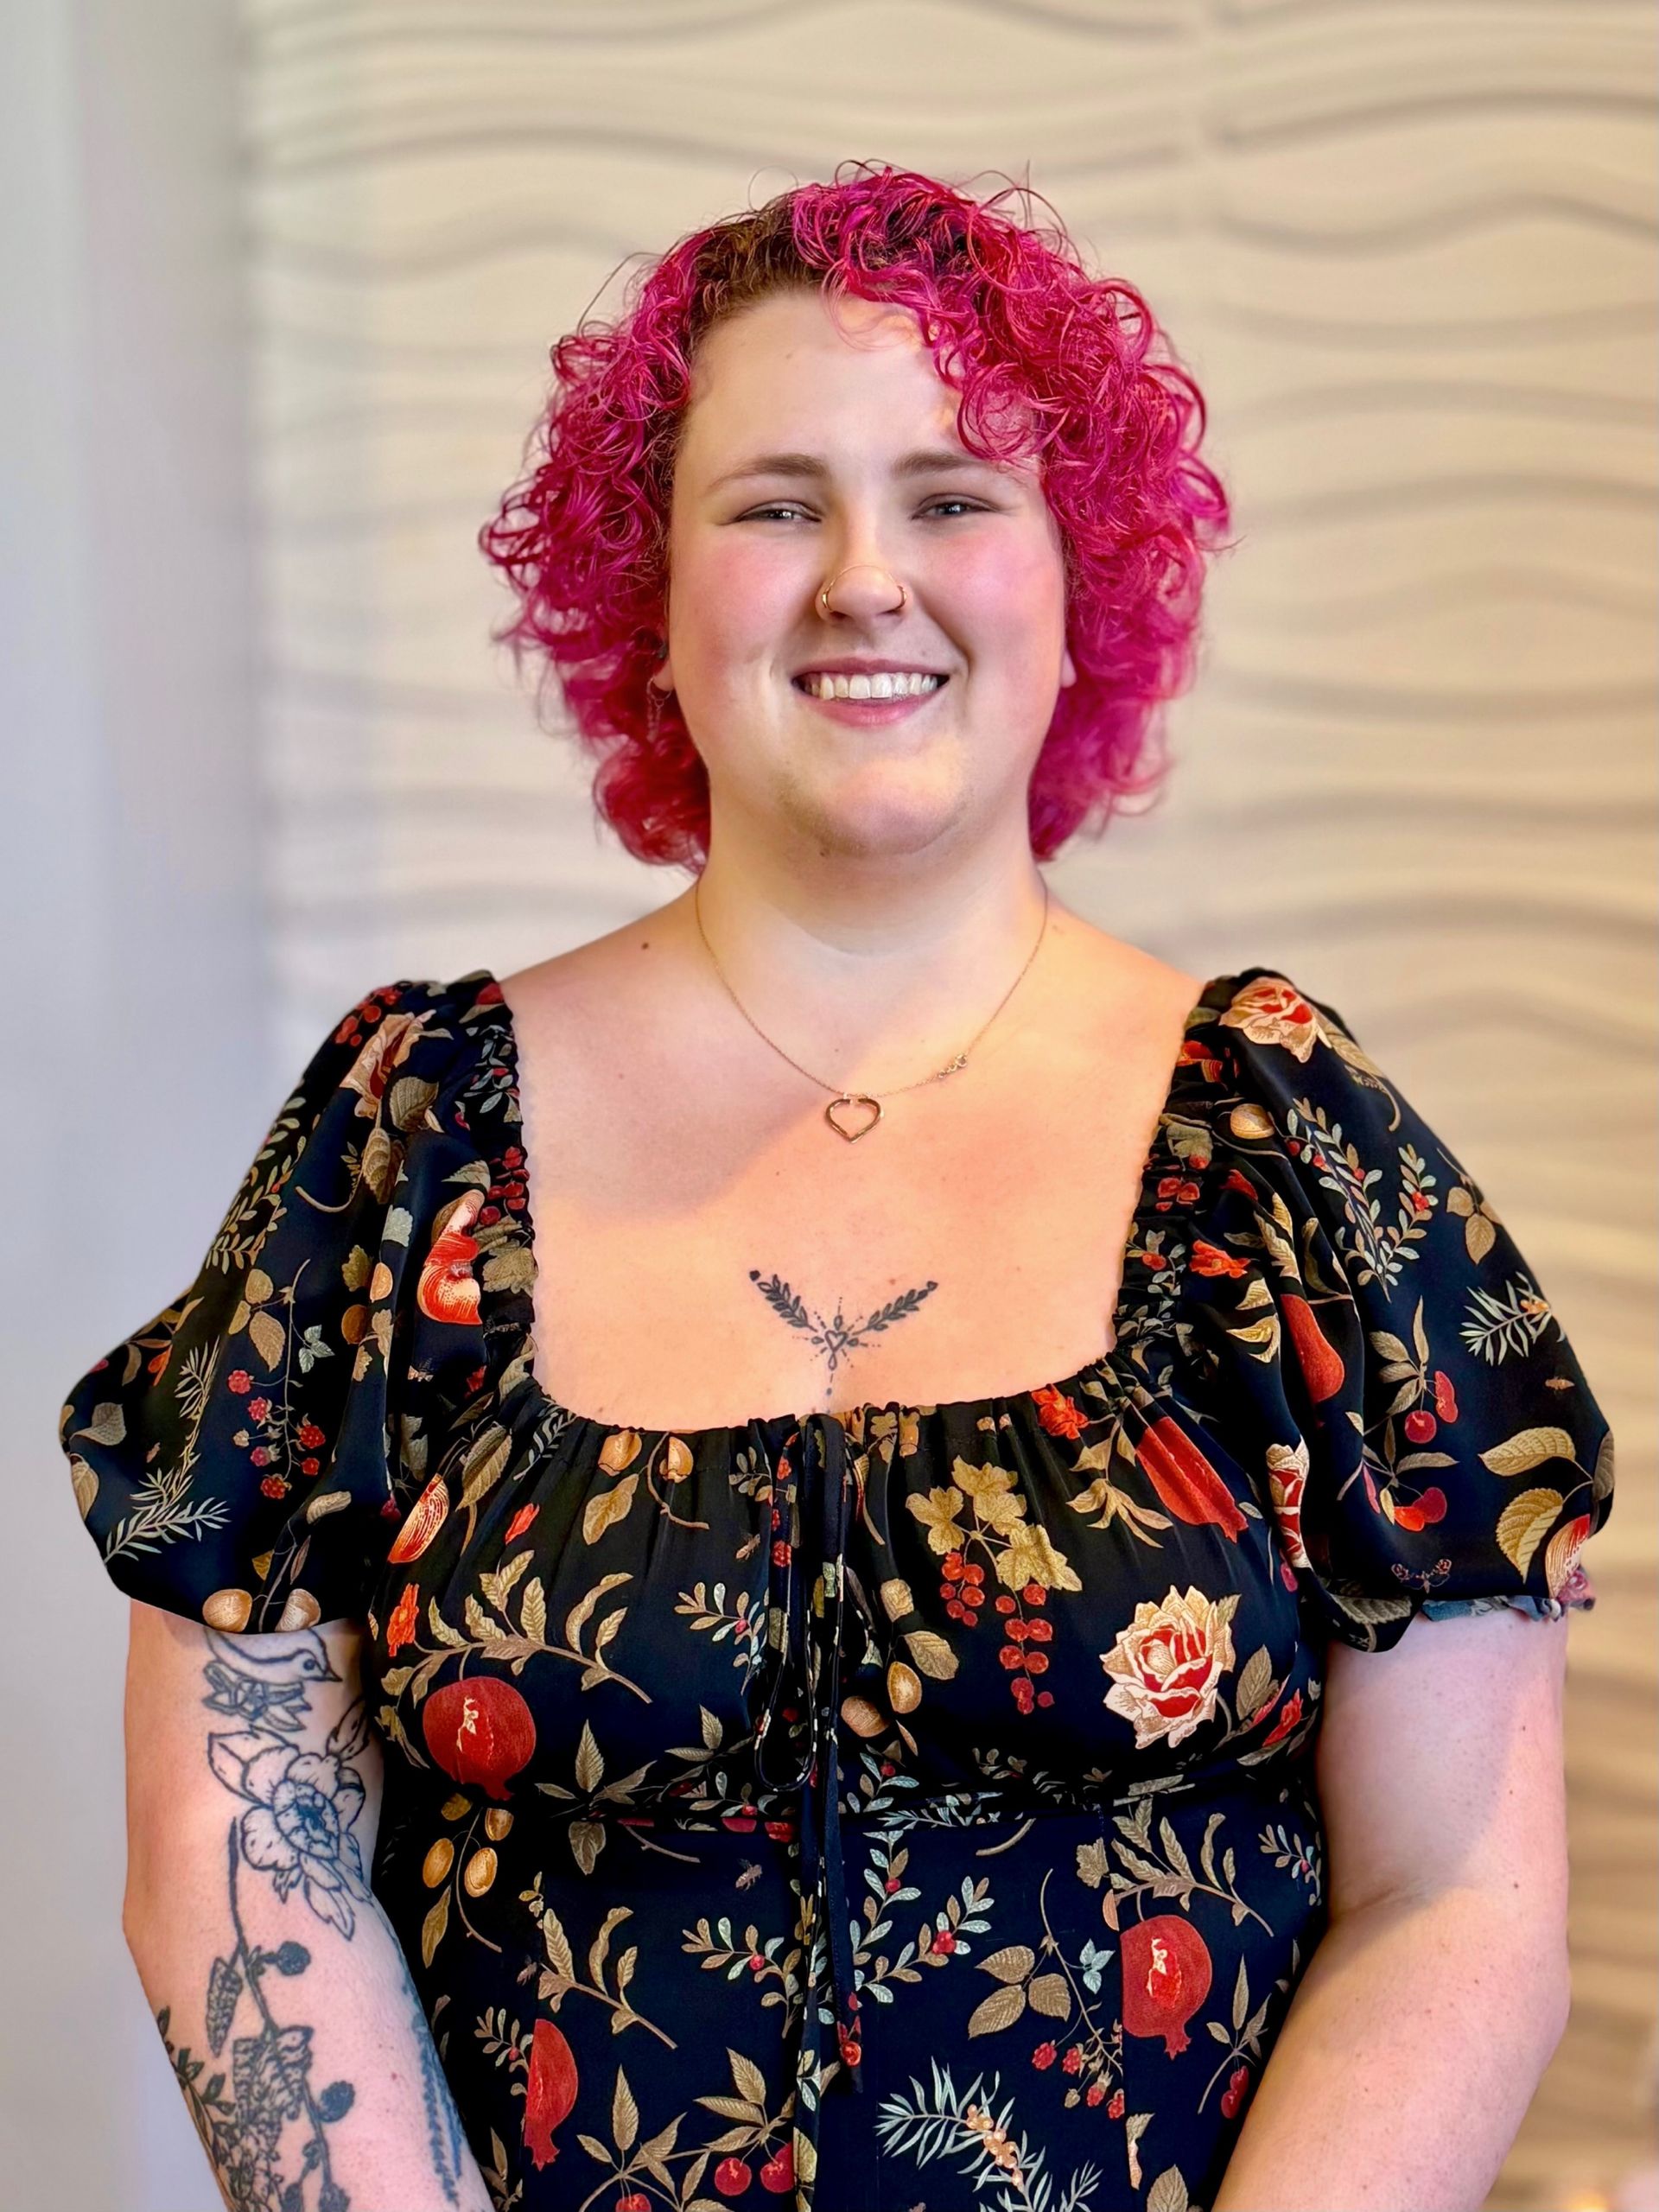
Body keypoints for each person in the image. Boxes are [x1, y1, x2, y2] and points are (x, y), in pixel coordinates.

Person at [61, 164, 1615, 2212]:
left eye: (957, 496)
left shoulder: (1292, 1155)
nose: (866, 575)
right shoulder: (406, 1136)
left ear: (1083, 589)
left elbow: (1461, 1892)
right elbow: (233, 1839)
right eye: (775, 503)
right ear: (655, 594)